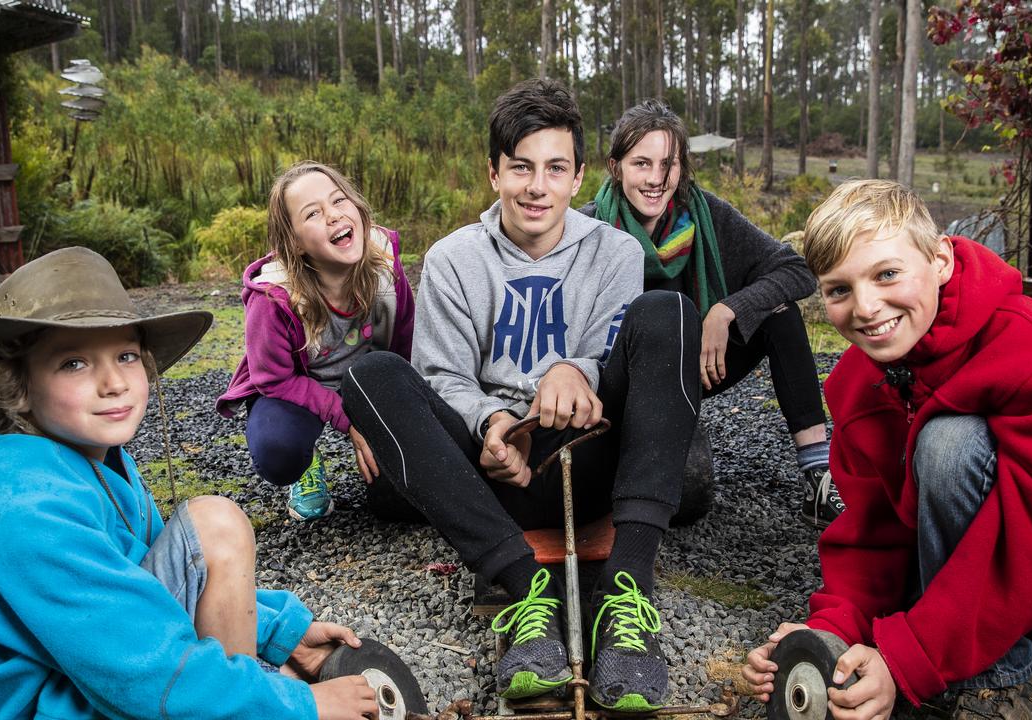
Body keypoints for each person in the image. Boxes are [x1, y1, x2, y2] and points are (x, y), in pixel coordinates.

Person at [340, 79, 701, 712]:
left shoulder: (614, 250)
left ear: (579, 175)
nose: (538, 187)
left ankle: (627, 594)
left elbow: (614, 349)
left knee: (669, 310)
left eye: (555, 169)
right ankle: (522, 585)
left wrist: (574, 370)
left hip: (584, 451)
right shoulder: (454, 258)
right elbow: (442, 375)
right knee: (371, 376)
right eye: (521, 168)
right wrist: (492, 423)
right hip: (494, 467)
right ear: (494, 172)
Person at [741, 180, 1032, 719]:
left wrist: (905, 660)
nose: (867, 308)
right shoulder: (854, 382)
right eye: (838, 289)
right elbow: (873, 534)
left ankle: (997, 683)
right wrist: (828, 635)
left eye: (887, 274)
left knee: (950, 446)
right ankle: (1027, 614)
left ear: (939, 259)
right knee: (942, 479)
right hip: (1018, 521)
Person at [0, 247, 380, 720]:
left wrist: (283, 634)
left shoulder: (91, 459)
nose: (114, 382)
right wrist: (299, 706)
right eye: (73, 363)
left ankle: (239, 693)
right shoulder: (25, 512)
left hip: (88, 670)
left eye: (125, 355)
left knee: (214, 539)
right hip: (54, 704)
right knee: (215, 526)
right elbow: (142, 671)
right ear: (18, 386)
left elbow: (139, 587)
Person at [579, 100, 840, 529]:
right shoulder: (587, 228)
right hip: (619, 385)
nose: (656, 179)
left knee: (779, 313)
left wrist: (725, 310)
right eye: (641, 163)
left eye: (669, 163)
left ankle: (818, 476)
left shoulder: (706, 215)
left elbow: (796, 270)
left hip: (693, 367)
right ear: (616, 166)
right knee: (687, 496)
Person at [216, 161, 414, 521]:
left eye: (339, 201)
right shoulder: (274, 298)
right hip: (300, 386)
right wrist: (348, 418)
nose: (333, 216)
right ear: (294, 242)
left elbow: (405, 344)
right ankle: (306, 465)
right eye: (313, 213)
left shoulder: (385, 263)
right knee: (279, 450)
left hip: (367, 377)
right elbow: (272, 379)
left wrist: (402, 412)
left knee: (403, 490)